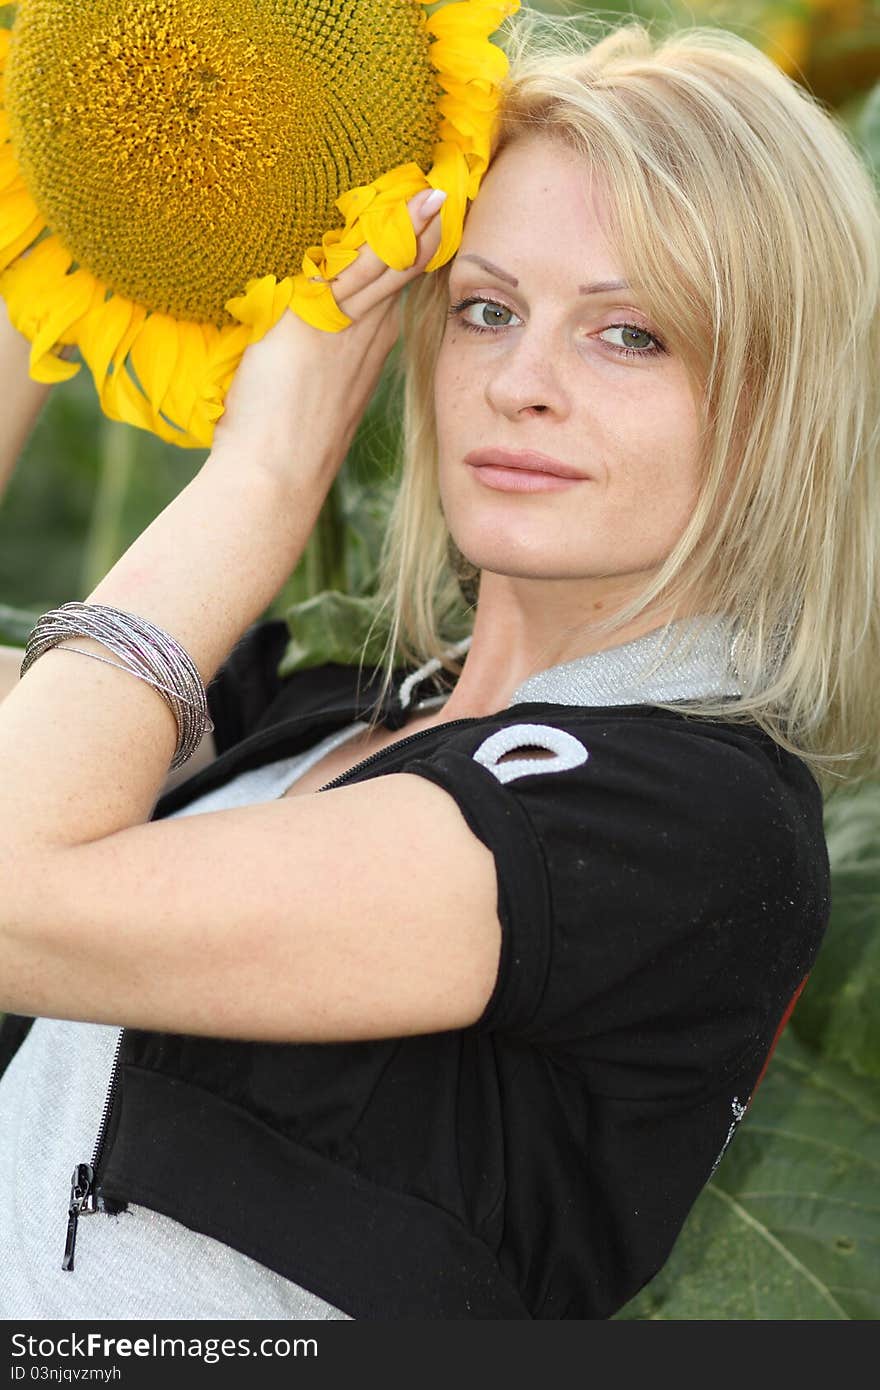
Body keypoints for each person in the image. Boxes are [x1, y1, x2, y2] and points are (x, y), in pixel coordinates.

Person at [0, 17, 878, 1321]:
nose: (520, 381)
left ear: (782, 398)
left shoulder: (693, 818)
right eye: (487, 307)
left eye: (629, 333)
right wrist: (51, 225)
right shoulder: (321, 705)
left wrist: (264, 477)